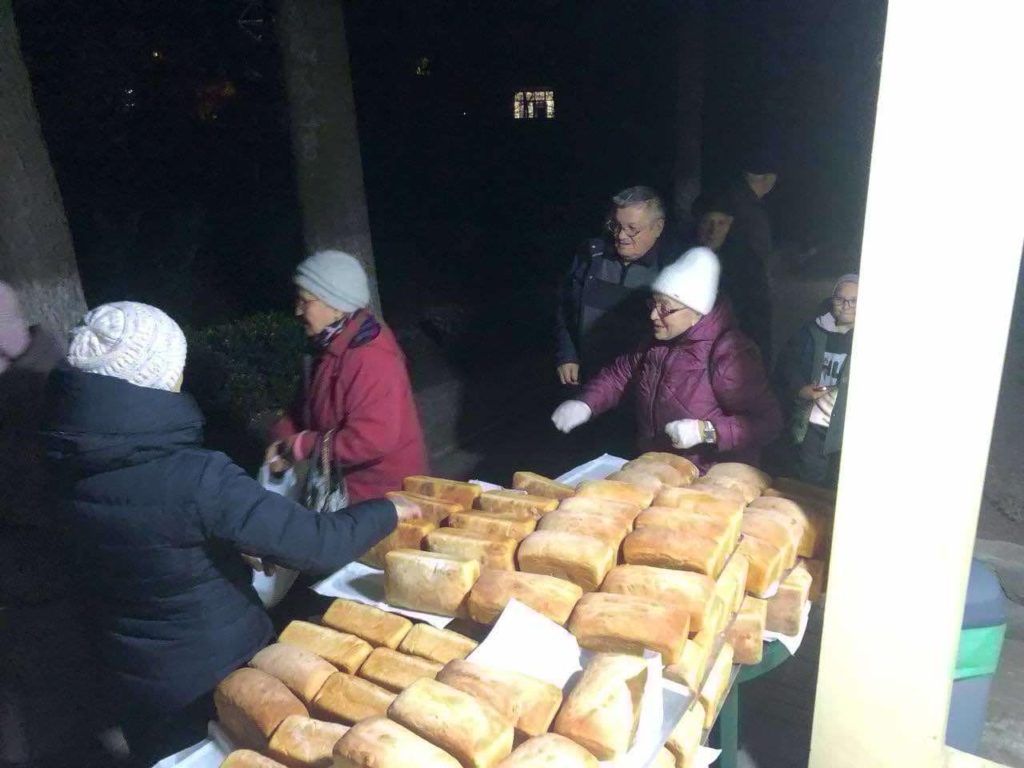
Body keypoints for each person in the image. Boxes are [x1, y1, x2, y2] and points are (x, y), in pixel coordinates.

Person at [41, 301, 421, 764]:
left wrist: (220, 552)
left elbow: (145, 549)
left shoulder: (56, 463)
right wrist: (388, 509)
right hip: (222, 676)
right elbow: (319, 545)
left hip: (133, 684)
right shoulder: (198, 476)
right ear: (160, 376)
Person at [551, 247, 782, 471]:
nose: (653, 315)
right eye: (654, 303)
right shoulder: (656, 341)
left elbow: (768, 423)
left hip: (711, 481)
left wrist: (707, 431)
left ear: (696, 313)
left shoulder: (729, 354)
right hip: (660, 470)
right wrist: (585, 403)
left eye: (665, 308)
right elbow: (618, 376)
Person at [268, 250, 428, 504]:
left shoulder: (371, 358)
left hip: (383, 498)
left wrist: (302, 446)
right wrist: (282, 436)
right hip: (346, 489)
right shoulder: (332, 345)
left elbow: (371, 439)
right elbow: (309, 403)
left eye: (305, 301)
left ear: (336, 307)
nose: (297, 311)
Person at [554, 186, 684, 385]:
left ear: (658, 227)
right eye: (615, 225)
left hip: (640, 386)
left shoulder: (670, 272)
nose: (621, 236)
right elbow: (566, 306)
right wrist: (568, 355)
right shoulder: (592, 256)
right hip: (587, 379)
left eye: (632, 229)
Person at [774, 274, 858, 487]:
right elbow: (788, 364)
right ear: (832, 301)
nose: (846, 306)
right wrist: (800, 389)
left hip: (847, 427)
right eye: (840, 300)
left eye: (854, 301)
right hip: (814, 422)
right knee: (809, 484)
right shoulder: (813, 332)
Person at [693, 190, 773, 361]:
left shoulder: (747, 264)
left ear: (731, 225)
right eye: (708, 222)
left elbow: (758, 319)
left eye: (721, 223)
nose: (713, 230)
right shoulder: (680, 259)